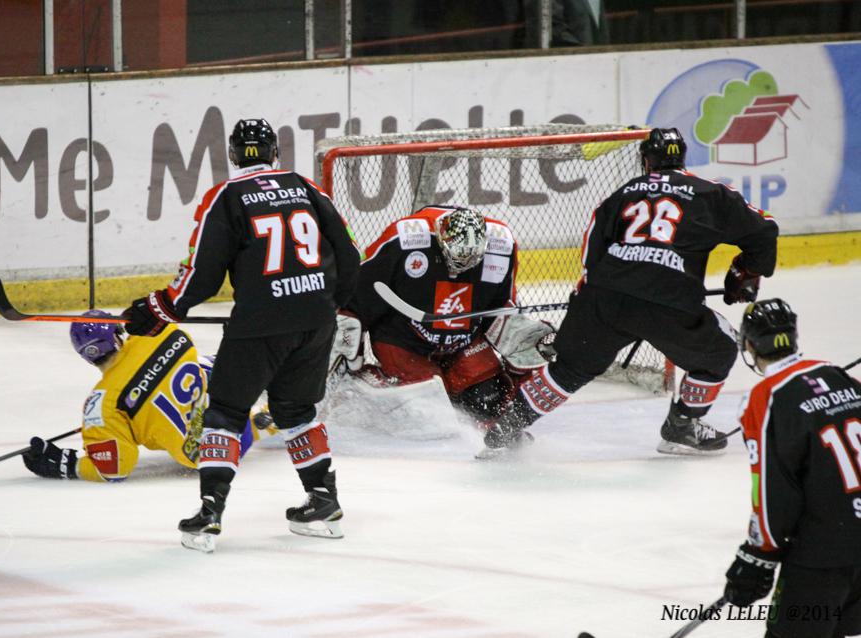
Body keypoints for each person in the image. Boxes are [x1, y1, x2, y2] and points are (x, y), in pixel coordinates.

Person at [123, 118, 361, 552]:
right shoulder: (307, 187)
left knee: (226, 412)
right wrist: (328, 305)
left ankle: (210, 513)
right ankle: (324, 502)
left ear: (233, 154)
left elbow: (202, 274)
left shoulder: (226, 196)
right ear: (274, 152)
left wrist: (159, 308)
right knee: (296, 410)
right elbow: (350, 254)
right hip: (315, 321)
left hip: (261, 324)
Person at [483, 127, 779, 456]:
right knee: (720, 350)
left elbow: (590, 257)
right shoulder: (710, 193)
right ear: (682, 157)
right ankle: (681, 428)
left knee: (570, 368)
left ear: (645, 160)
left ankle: (505, 429)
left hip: (605, 295)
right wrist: (746, 271)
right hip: (669, 300)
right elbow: (765, 229)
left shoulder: (622, 194)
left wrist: (582, 312)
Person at [334, 204, 554, 437]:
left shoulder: (502, 247)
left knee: (489, 396)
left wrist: (526, 337)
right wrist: (350, 345)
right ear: (441, 237)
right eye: (455, 258)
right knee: (426, 413)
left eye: (470, 261)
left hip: (462, 341)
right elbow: (356, 297)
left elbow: (499, 310)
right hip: (401, 339)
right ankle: (372, 382)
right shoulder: (404, 239)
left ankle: (482, 419)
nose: (461, 266)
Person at [723, 298, 861, 638]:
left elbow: (772, 488)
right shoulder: (842, 378)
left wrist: (759, 553)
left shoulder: (768, 397)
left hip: (823, 552)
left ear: (750, 345)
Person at [21, 311, 273, 482]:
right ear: (117, 334)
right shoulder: (163, 333)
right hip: (223, 400)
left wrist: (68, 465)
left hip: (206, 452)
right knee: (202, 362)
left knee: (204, 385)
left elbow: (115, 467)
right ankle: (270, 399)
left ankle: (261, 419)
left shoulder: (102, 404)